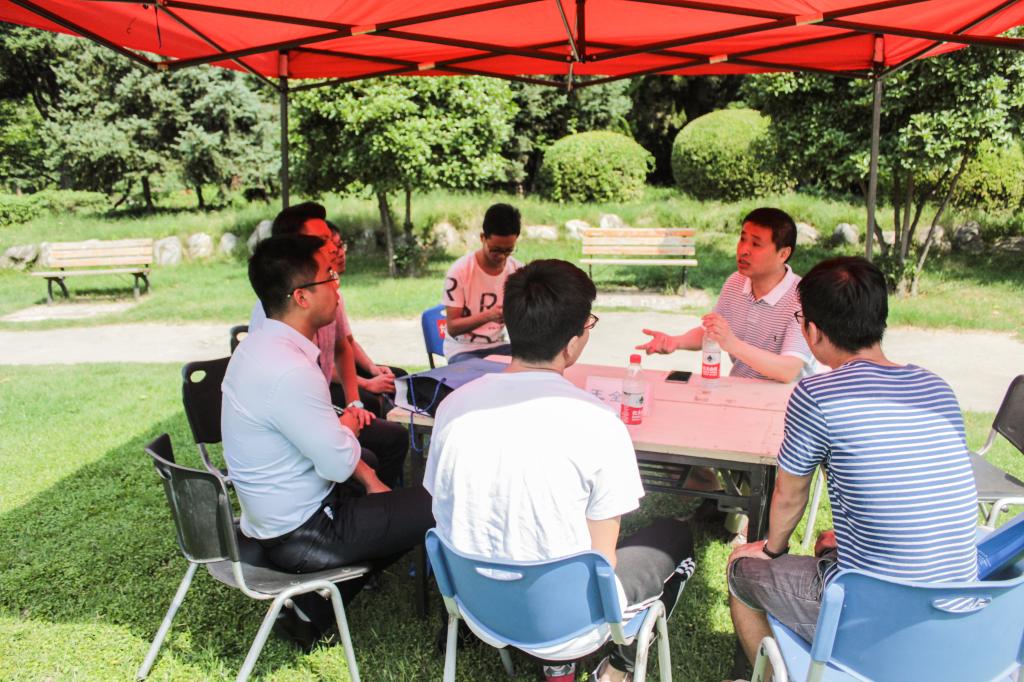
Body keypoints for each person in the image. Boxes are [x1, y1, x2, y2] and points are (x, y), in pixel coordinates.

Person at [425, 259, 695, 682]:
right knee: (674, 536)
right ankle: (617, 667)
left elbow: (441, 507)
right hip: (571, 624)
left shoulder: (452, 408)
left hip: (477, 610)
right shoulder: (599, 422)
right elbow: (603, 558)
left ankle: (559, 664)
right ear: (572, 344)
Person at [726, 256, 979, 672]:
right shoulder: (937, 388)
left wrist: (772, 550)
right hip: (960, 608)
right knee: (830, 542)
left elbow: (789, 495)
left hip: (878, 618)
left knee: (741, 571)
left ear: (813, 331)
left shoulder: (818, 395)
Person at [223, 234, 433, 640]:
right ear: (301, 297)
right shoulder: (289, 370)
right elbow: (337, 463)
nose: (338, 286)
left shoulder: (258, 348)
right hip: (302, 534)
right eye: (329, 277)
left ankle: (312, 612)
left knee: (375, 469)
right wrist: (348, 427)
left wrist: (354, 452)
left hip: (274, 520)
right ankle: (313, 610)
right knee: (435, 505)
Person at [248, 202, 408, 487]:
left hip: (316, 413)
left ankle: (384, 498)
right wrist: (350, 437)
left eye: (333, 240)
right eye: (321, 241)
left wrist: (354, 402)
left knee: (391, 436)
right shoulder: (279, 338)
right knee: (367, 459)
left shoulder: (327, 293)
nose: (334, 247)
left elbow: (342, 345)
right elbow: (332, 458)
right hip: (304, 440)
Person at [636, 207, 813, 383]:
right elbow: (711, 332)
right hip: (739, 388)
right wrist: (675, 341)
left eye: (756, 244)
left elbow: (788, 371)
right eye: (742, 239)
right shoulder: (735, 282)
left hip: (787, 397)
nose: (743, 250)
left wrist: (732, 344)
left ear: (783, 254)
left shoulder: (802, 298)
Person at [441, 203, 523, 363]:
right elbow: (453, 327)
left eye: (508, 250)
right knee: (481, 373)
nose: (502, 256)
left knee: (536, 366)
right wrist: (489, 316)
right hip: (463, 349)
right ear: (482, 238)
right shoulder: (460, 271)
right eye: (496, 250)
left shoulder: (517, 270)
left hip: (500, 345)